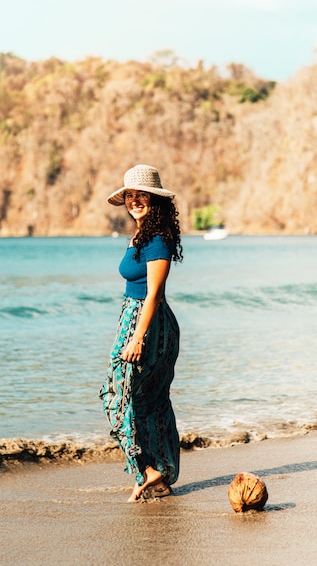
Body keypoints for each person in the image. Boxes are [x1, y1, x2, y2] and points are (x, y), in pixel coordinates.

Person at [100, 164, 183, 502]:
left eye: (141, 195)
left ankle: (148, 470)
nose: (134, 201)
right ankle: (157, 474)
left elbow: (154, 294)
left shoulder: (159, 237)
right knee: (146, 400)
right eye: (130, 196)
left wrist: (137, 337)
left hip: (147, 323)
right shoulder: (141, 234)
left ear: (155, 199)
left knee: (115, 396)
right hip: (136, 319)